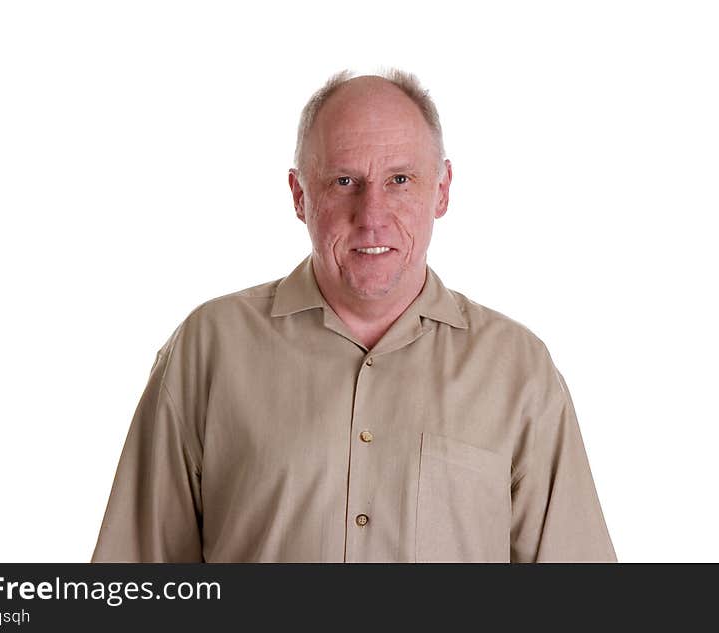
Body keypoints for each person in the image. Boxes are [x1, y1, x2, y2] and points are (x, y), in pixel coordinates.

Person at [90, 69, 617, 563]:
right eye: (344, 181)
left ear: (443, 190)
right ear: (299, 195)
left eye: (401, 180)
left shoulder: (517, 369)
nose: (372, 217)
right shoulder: (209, 349)